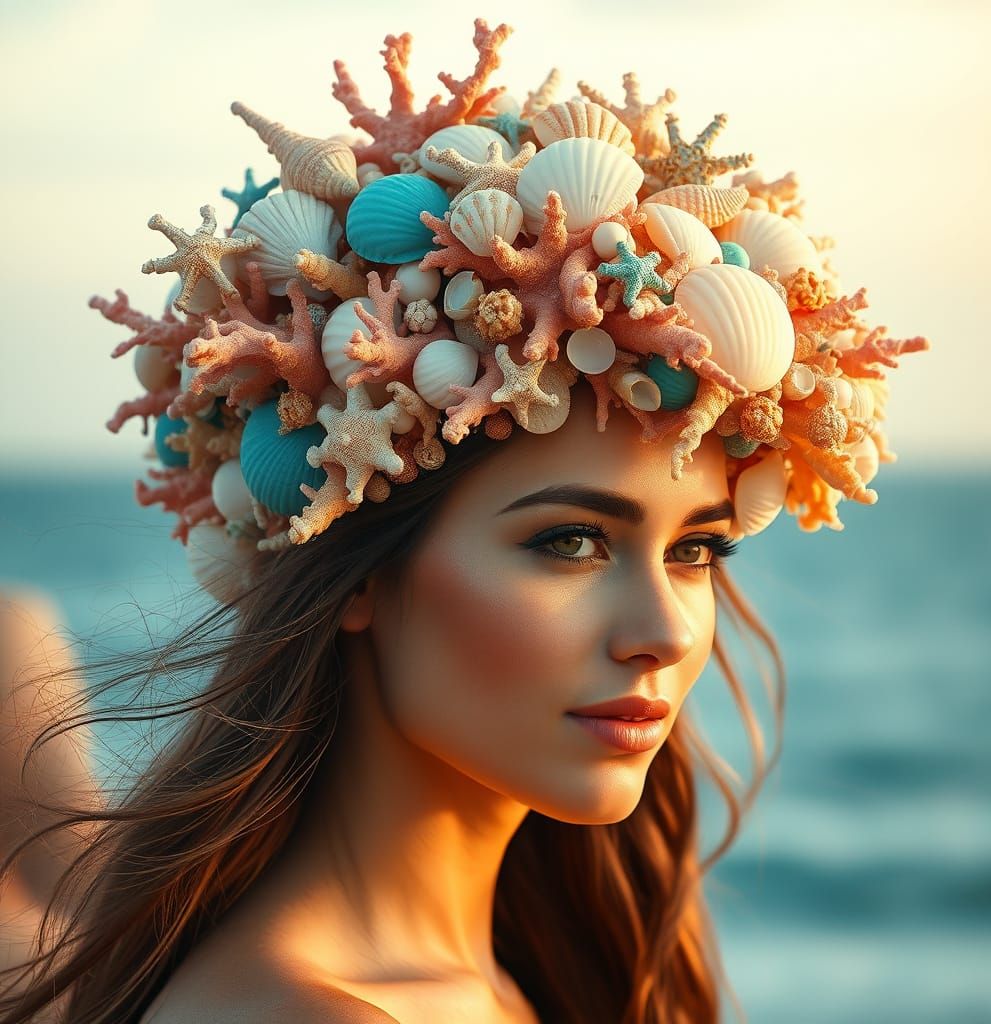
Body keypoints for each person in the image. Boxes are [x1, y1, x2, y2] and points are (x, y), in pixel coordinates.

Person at [0, 17, 926, 1024]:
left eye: (696, 549)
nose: (663, 630)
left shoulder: (520, 978)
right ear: (350, 565)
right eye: (569, 541)